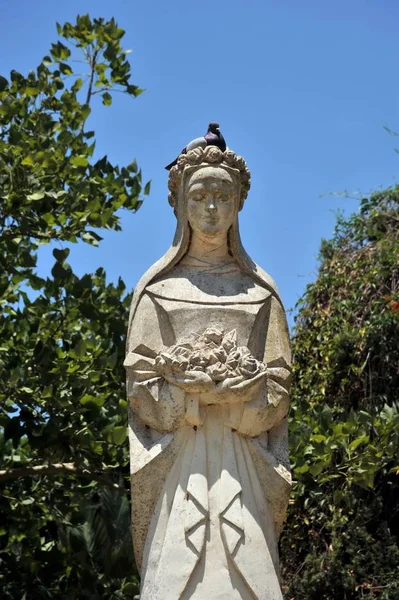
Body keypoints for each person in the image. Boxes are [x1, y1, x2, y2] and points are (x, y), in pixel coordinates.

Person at [124, 145, 292, 600]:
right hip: (182, 462)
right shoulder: (156, 291)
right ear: (179, 202)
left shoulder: (260, 292)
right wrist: (192, 397)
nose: (212, 208)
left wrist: (242, 399)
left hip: (242, 464)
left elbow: (279, 386)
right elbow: (140, 387)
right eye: (199, 196)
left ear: (239, 204)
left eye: (223, 196)